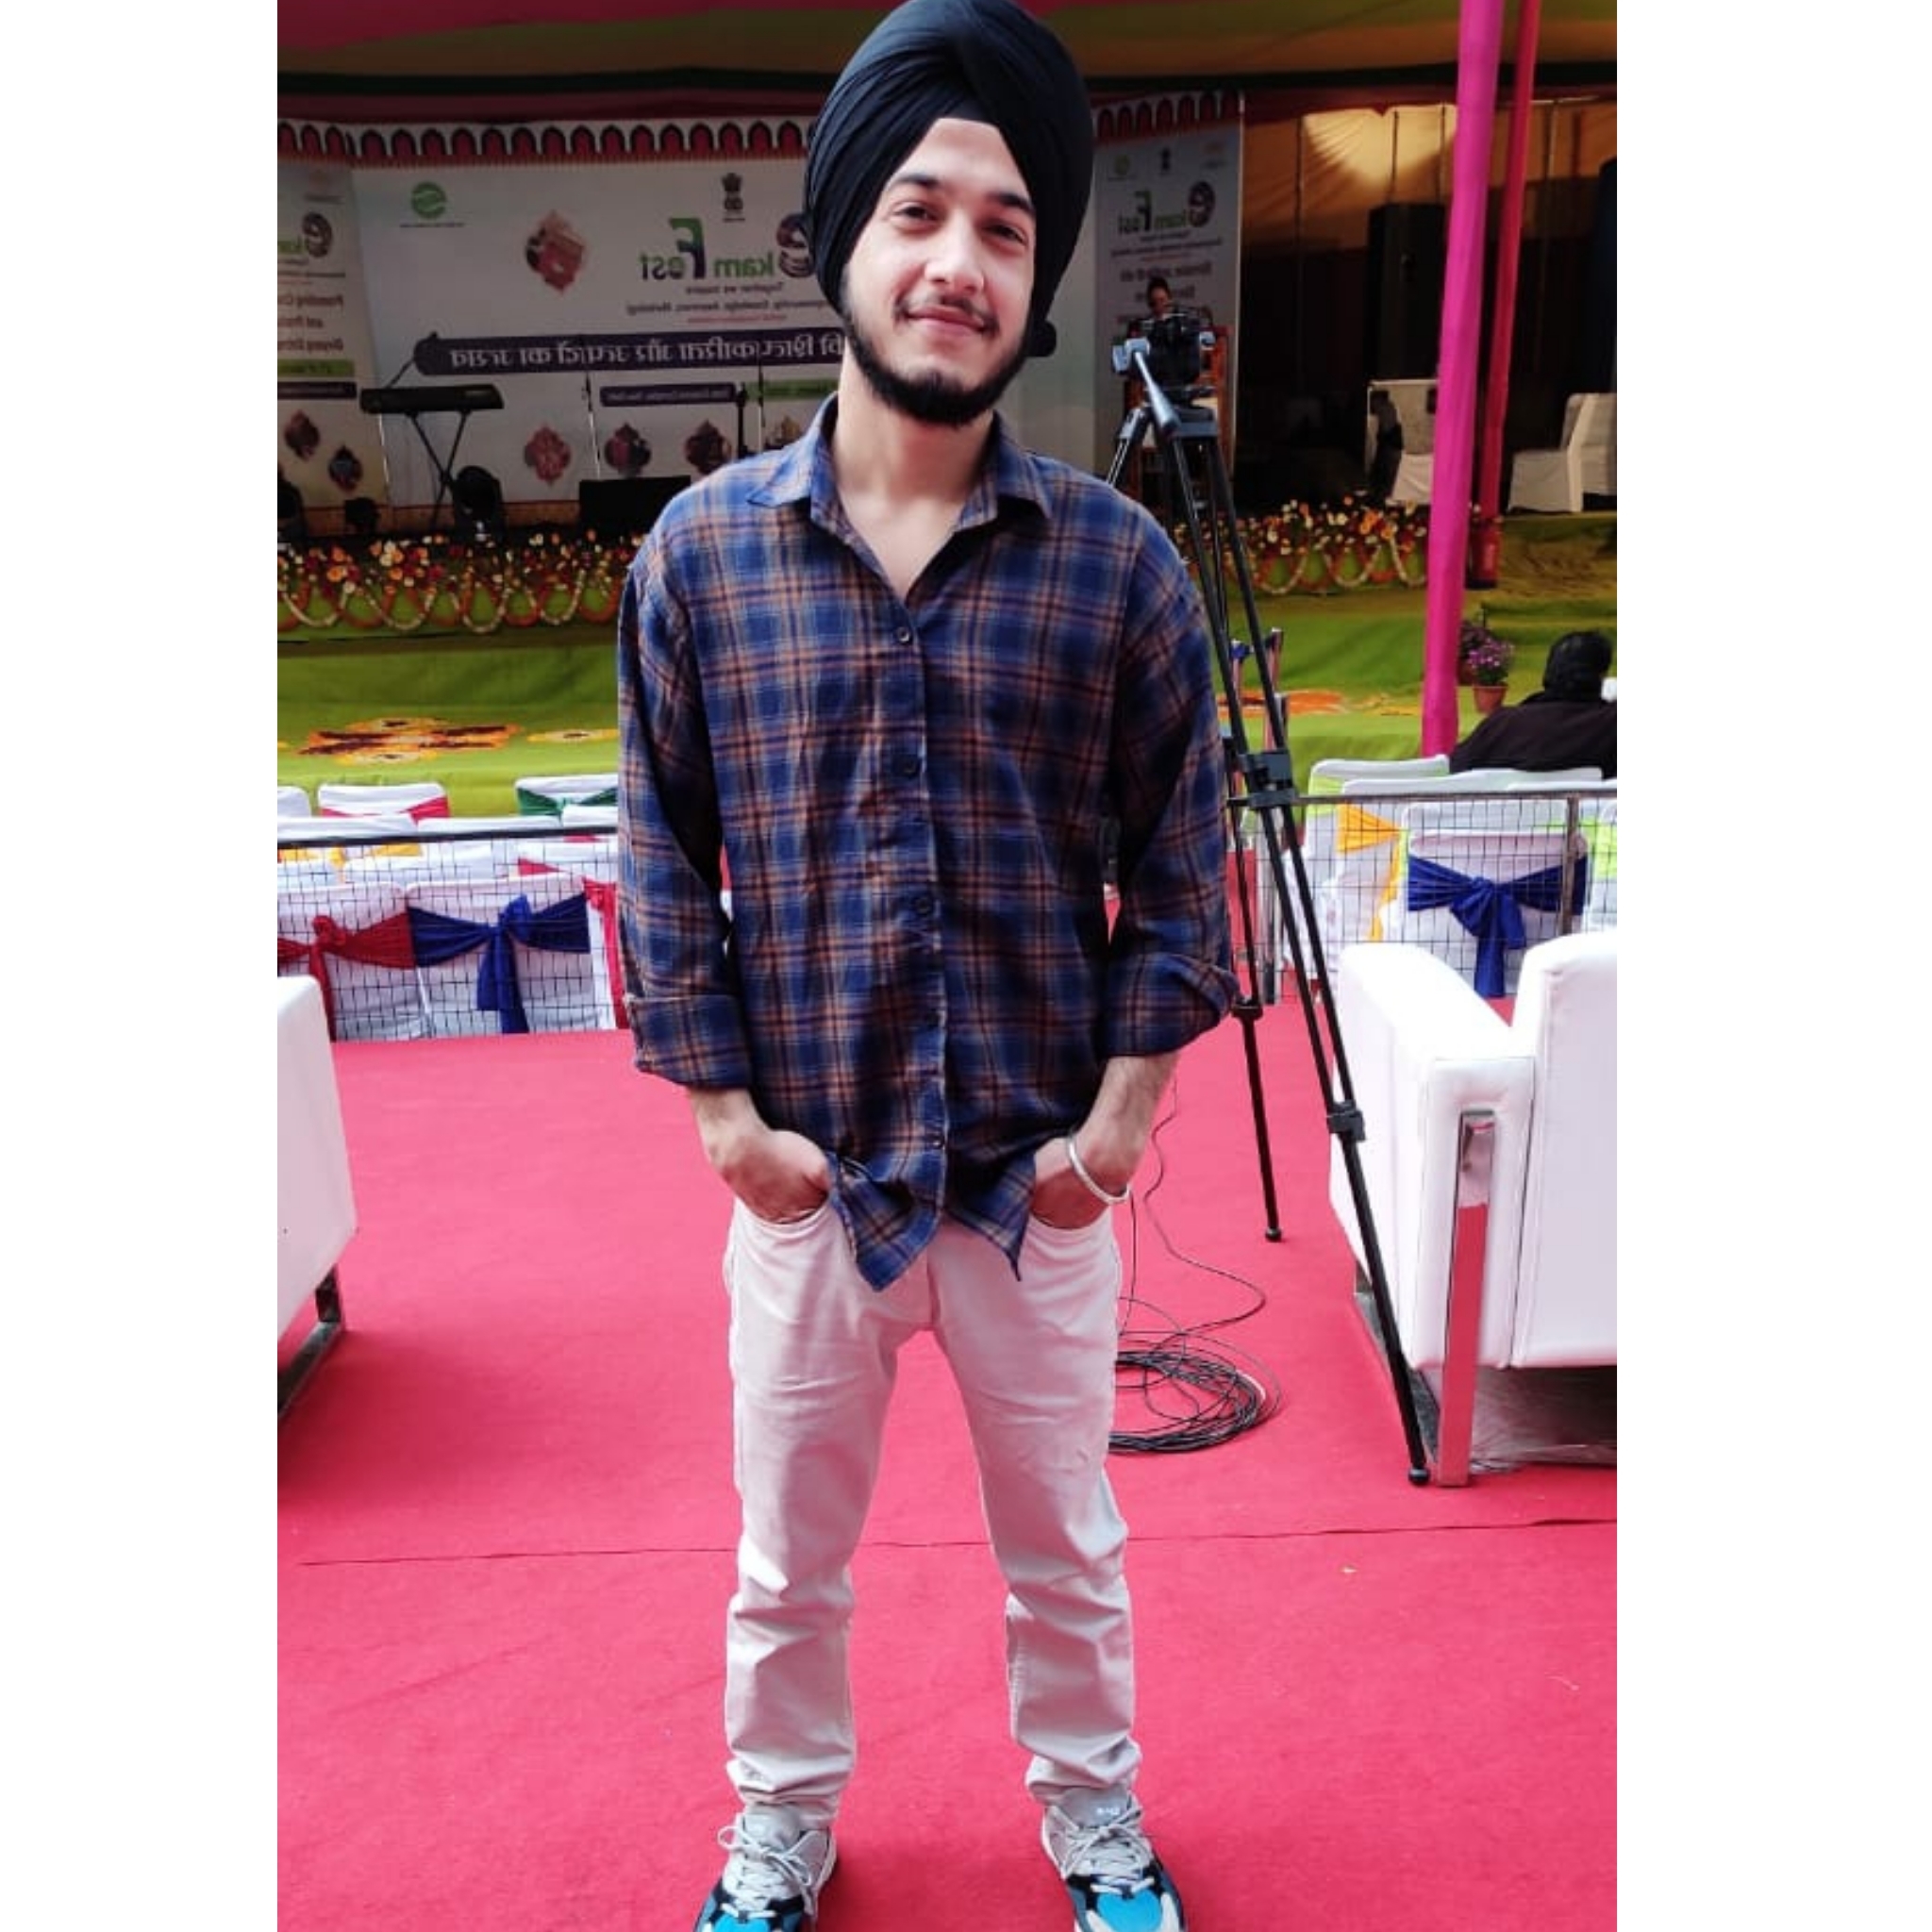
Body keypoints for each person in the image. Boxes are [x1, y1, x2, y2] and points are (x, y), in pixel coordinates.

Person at [613, 3, 1234, 1926]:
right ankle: (779, 1822)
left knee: (1068, 1550)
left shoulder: (1118, 568)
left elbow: (1185, 873)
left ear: (1035, 286)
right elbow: (660, 858)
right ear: (836, 237)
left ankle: (1096, 1815)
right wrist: (727, 1126)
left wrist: (1112, 1135)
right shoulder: (700, 562)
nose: (957, 258)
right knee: (784, 1564)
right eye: (919, 209)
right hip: (809, 1189)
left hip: (1034, 1191)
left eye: (1004, 227)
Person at [1447, 628, 1618, 778]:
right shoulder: (1611, 723)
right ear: (1601, 677)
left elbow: (1456, 768)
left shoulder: (1502, 724)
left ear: (1549, 670)